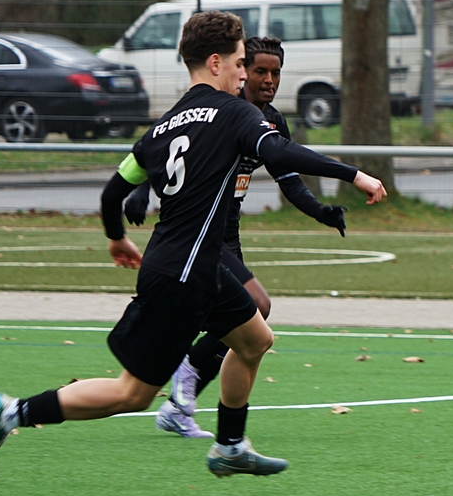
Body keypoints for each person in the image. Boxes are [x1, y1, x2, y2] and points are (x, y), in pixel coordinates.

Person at [0, 11, 386, 480]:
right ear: (215, 63)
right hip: (183, 275)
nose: (243, 73)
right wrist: (353, 173)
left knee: (255, 340)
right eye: (239, 62)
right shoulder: (236, 113)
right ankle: (12, 412)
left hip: (194, 265)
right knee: (132, 394)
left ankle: (230, 445)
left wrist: (116, 238)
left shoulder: (163, 126)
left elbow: (112, 193)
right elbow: (278, 152)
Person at [123, 36, 347, 439]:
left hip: (227, 234)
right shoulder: (223, 110)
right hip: (199, 233)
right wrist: (140, 190)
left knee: (241, 324)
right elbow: (162, 146)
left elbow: (289, 179)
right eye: (259, 70)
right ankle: (190, 378)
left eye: (275, 72)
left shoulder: (272, 121)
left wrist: (320, 211)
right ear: (241, 70)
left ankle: (179, 407)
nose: (268, 80)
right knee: (256, 307)